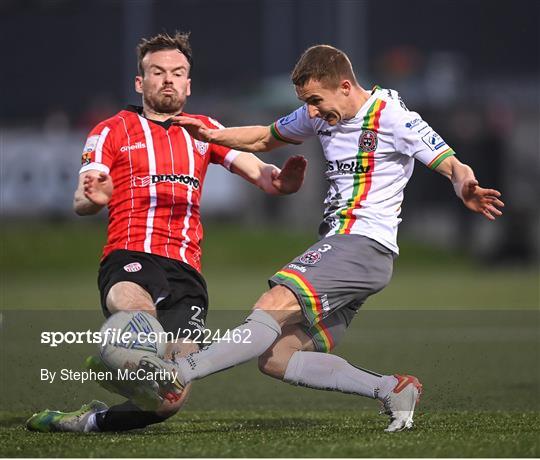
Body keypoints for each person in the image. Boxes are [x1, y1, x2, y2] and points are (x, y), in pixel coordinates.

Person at [138, 44, 504, 432]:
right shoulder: (320, 115)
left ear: (345, 86)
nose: (312, 112)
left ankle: (179, 370)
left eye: (315, 100)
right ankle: (391, 389)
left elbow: (451, 162)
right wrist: (213, 134)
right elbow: (264, 138)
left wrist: (466, 186)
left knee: (273, 302)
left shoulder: (392, 116)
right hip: (350, 255)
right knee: (278, 356)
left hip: (361, 243)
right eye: (306, 103)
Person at [25, 32, 306, 433]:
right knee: (141, 318)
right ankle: (118, 359)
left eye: (178, 73)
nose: (168, 80)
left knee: (169, 400)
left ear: (189, 84)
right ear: (140, 82)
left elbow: (263, 176)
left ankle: (85, 420)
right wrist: (95, 197)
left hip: (187, 274)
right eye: (158, 72)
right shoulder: (112, 131)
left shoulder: (205, 130)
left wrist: (283, 183)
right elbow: (81, 199)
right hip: (130, 256)